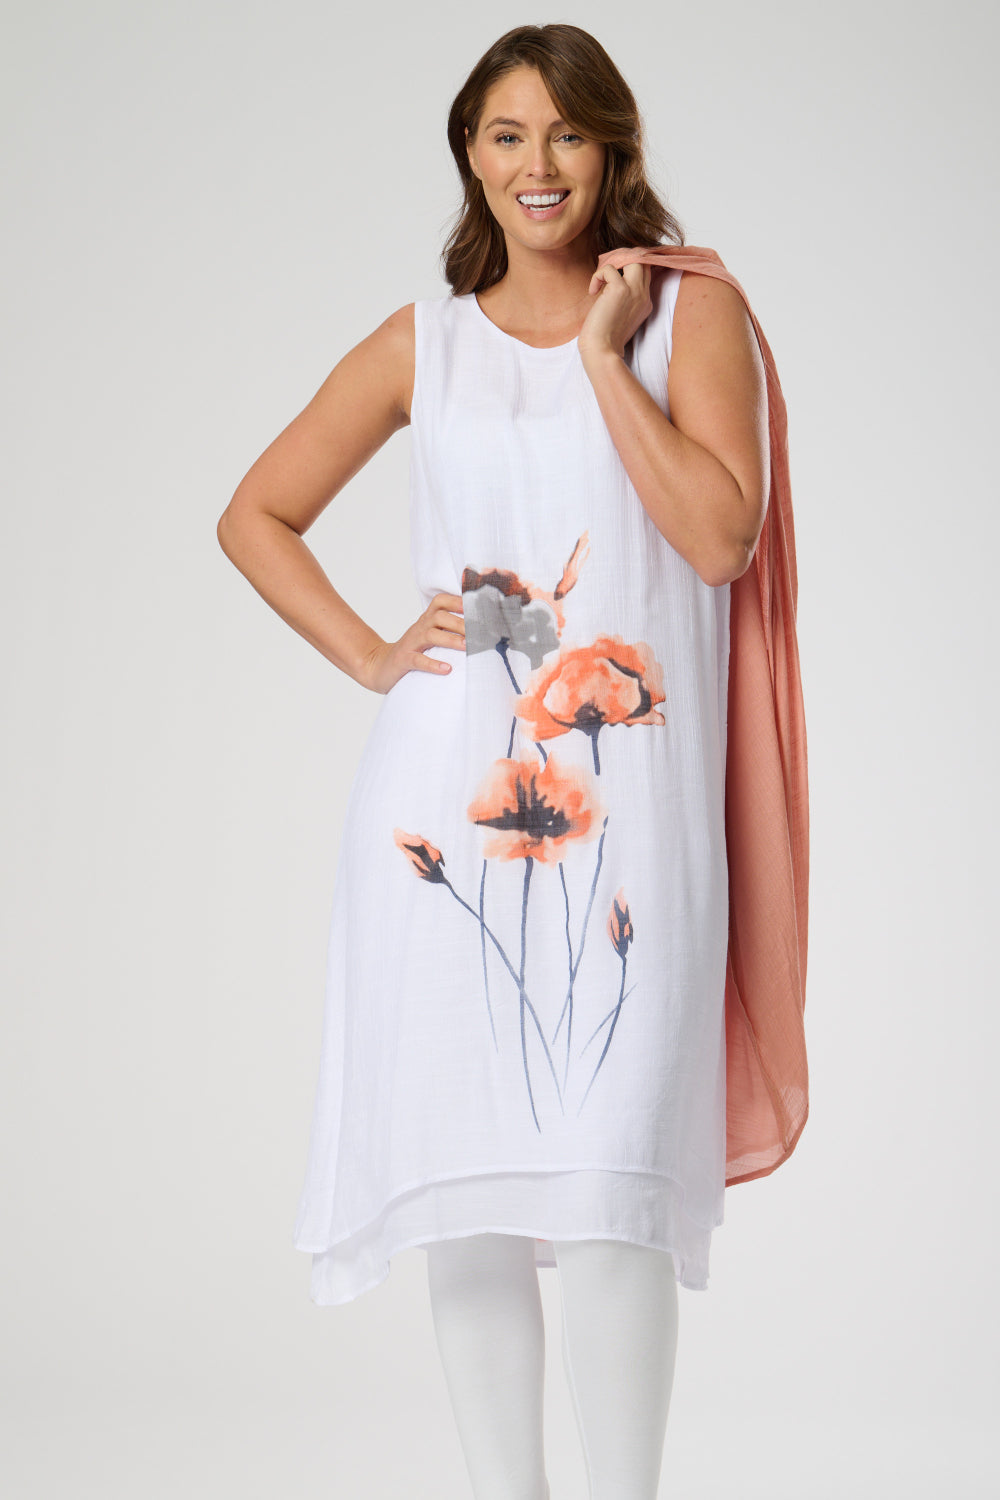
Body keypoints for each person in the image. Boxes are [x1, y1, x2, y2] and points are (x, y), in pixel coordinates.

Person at [218, 22, 776, 1500]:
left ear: (612, 148)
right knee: (464, 1196)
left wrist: (602, 360)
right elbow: (255, 515)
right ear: (470, 153)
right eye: (507, 135)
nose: (539, 166)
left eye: (567, 135)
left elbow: (720, 539)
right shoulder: (428, 339)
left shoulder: (684, 315)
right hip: (445, 807)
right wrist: (370, 655)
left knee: (610, 1194)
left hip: (632, 815)